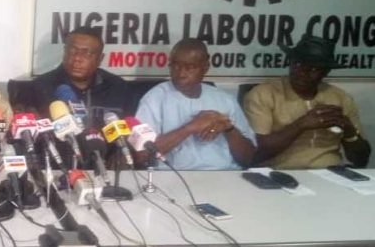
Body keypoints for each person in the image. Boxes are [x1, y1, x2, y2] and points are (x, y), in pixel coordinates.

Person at [243, 34, 371, 169]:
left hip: (331, 172)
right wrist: (301, 125)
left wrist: (349, 130)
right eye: (298, 64)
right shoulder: (263, 94)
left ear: (326, 72)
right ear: (290, 62)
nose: (303, 72)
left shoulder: (340, 97)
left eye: (314, 68)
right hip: (280, 173)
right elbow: (257, 153)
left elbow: (361, 160)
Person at [136, 38, 256, 170]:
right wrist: (190, 128)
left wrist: (229, 129)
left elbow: (248, 159)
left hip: (225, 175)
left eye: (190, 67)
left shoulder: (224, 99)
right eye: (175, 65)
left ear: (205, 68)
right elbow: (142, 156)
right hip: (175, 178)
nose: (181, 73)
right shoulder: (155, 98)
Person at [30, 26, 138, 120]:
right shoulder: (40, 87)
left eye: (86, 54)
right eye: (72, 51)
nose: (77, 58)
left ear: (100, 59)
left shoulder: (119, 88)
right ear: (64, 52)